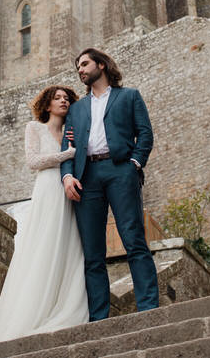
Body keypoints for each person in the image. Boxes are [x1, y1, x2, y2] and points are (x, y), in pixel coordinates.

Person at [0, 86, 89, 344]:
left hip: (71, 189)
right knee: (45, 243)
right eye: (57, 98)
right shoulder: (34, 127)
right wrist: (67, 154)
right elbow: (33, 161)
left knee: (70, 244)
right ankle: (37, 310)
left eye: (67, 98)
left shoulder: (71, 130)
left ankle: (64, 305)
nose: (63, 101)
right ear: (47, 104)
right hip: (48, 190)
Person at [60, 48, 159, 321]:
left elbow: (145, 133)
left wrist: (135, 164)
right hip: (86, 177)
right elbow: (66, 148)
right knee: (93, 253)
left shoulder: (129, 96)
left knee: (134, 240)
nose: (80, 70)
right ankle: (98, 319)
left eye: (84, 64)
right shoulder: (76, 110)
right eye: (78, 67)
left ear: (101, 65)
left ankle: (149, 309)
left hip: (120, 171)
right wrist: (67, 176)